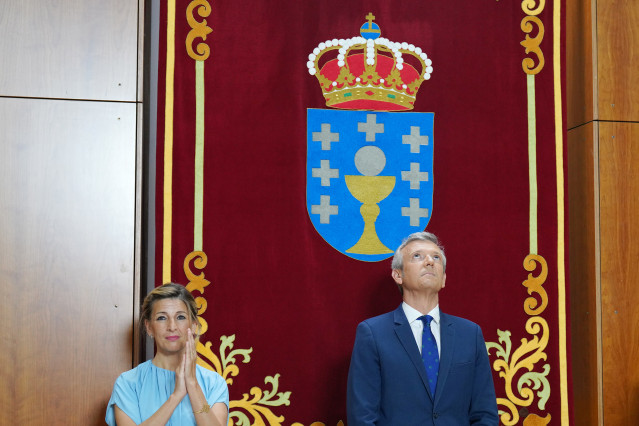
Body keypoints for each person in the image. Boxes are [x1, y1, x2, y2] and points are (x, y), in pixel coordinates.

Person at [346, 232, 498, 425]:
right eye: (417, 256)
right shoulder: (373, 333)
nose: (429, 262)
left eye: (436, 257)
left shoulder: (470, 334)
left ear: (443, 279)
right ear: (398, 274)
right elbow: (362, 417)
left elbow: (485, 414)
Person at [105, 283, 229, 426]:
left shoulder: (213, 383)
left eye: (180, 317)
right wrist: (176, 397)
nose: (172, 327)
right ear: (149, 327)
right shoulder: (128, 383)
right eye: (162, 318)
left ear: (194, 325)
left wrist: (193, 385)